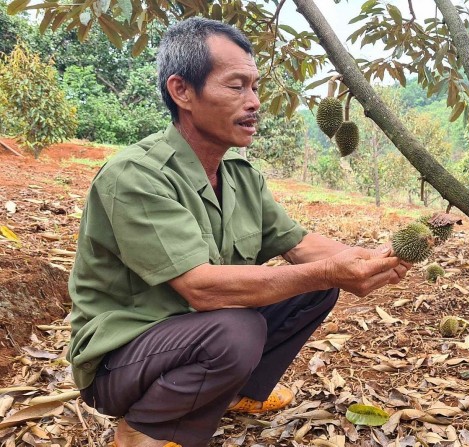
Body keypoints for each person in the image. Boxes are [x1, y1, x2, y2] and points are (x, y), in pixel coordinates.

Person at [67, 17, 409, 447]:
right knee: (237, 330)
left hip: (194, 333)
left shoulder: (238, 174)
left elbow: (300, 245)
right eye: (236, 86)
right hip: (122, 360)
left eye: (255, 86)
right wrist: (328, 271)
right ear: (182, 91)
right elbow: (202, 290)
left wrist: (371, 256)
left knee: (315, 286)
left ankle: (236, 395)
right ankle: (144, 429)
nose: (254, 102)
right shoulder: (135, 177)